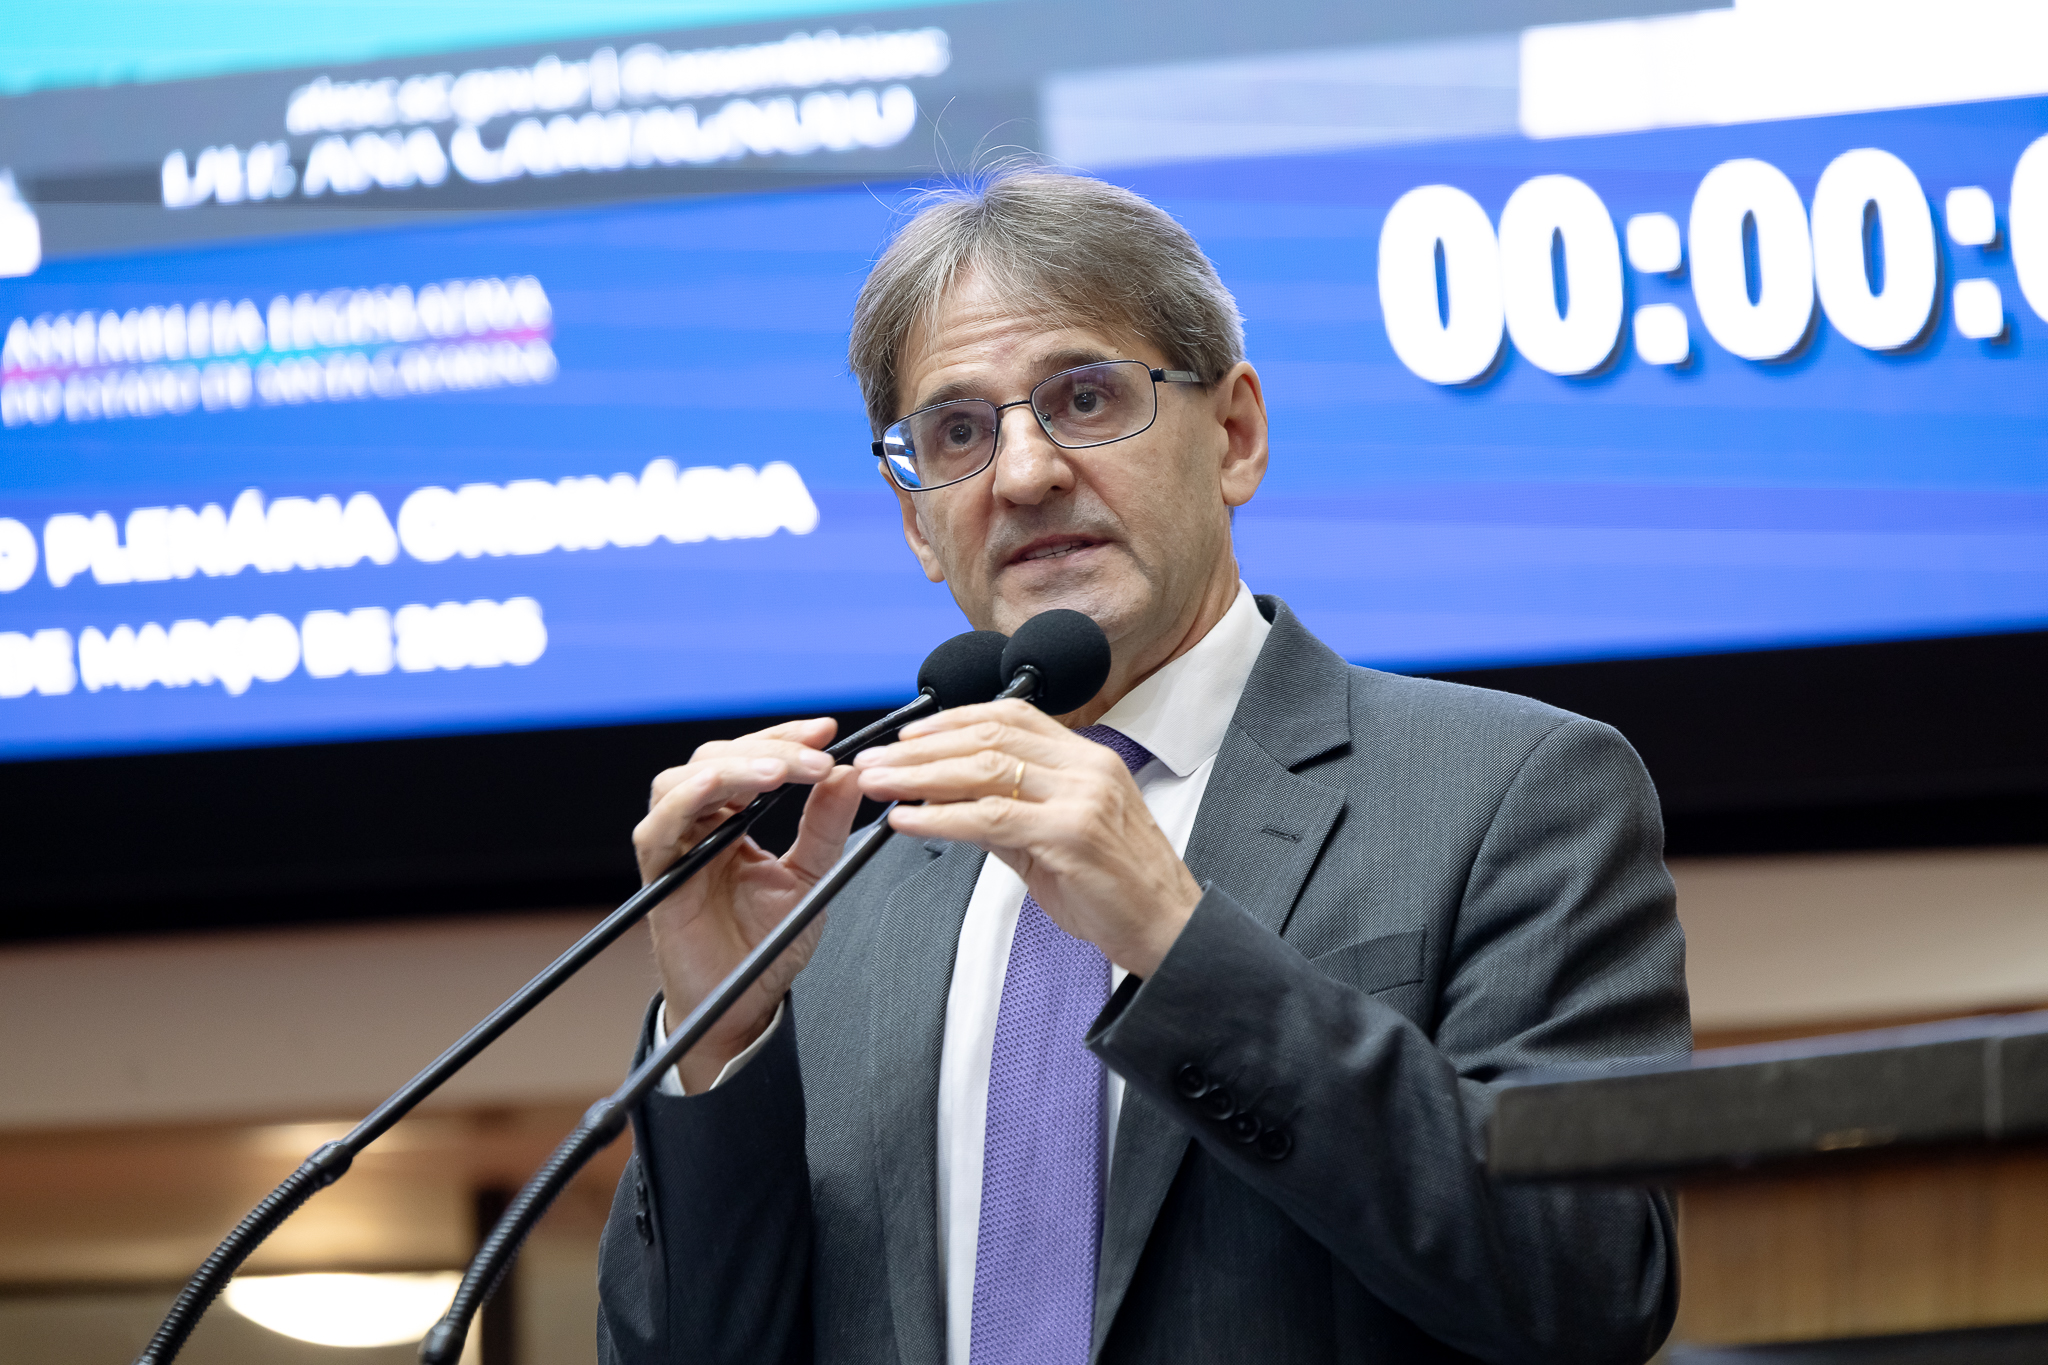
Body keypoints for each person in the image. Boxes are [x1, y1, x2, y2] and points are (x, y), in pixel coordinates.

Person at [597, 169, 1689, 1365]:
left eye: (1085, 398)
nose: (1023, 475)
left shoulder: (1514, 792)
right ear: (916, 524)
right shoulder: (841, 900)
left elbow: (1593, 1284)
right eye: (957, 432)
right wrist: (719, 1039)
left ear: (1234, 436)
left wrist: (1178, 942)